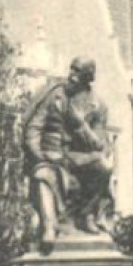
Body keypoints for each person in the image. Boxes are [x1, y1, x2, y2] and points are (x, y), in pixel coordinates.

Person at [23, 57, 116, 252]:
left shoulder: (98, 105)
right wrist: (39, 156)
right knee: (42, 174)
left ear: (87, 78)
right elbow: (33, 128)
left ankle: (87, 215)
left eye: (77, 72)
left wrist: (80, 125)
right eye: (71, 70)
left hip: (77, 157)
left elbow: (100, 145)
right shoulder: (55, 95)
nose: (71, 76)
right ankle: (50, 227)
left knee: (104, 167)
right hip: (51, 154)